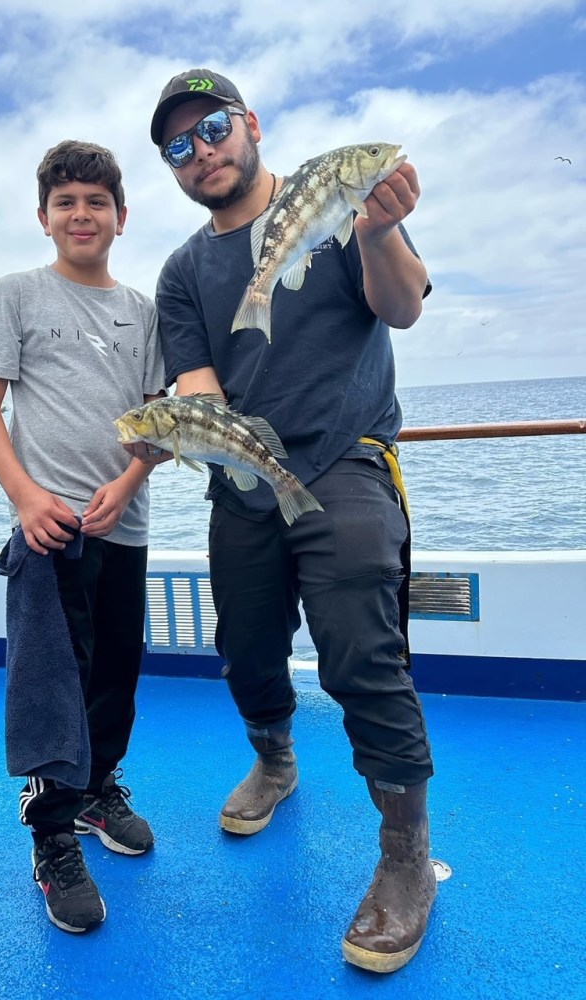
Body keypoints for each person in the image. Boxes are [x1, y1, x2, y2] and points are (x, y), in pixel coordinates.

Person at [141, 68, 437, 973]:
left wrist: (379, 227)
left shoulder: (343, 201)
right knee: (245, 644)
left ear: (250, 125)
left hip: (345, 457)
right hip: (244, 473)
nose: (202, 151)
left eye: (214, 127)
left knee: (358, 645)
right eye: (178, 145)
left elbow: (403, 306)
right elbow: (199, 387)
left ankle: (404, 855)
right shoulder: (185, 271)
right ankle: (275, 759)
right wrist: (201, 442)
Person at [0, 139, 166, 935]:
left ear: (122, 217)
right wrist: (25, 498)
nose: (81, 215)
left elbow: (155, 421)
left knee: (117, 670)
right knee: (52, 686)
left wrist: (128, 483)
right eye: (66, 203)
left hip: (125, 524)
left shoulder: (143, 312)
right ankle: (52, 839)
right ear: (43, 218)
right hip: (48, 531)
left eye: (96, 202)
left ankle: (97, 792)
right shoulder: (15, 294)